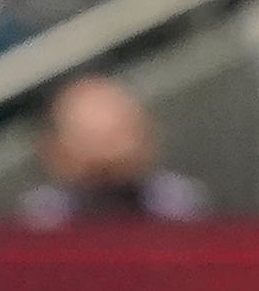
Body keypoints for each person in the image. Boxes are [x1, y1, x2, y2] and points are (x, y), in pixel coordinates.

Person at [19, 74, 207, 227]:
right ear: (56, 150)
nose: (114, 153)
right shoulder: (41, 224)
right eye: (93, 138)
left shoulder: (178, 202)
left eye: (123, 131)